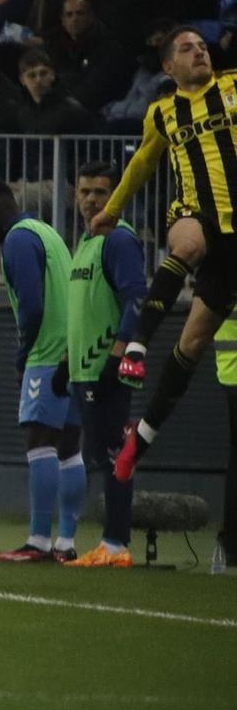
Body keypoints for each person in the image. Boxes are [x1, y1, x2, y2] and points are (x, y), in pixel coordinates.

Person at [103, 27, 237, 477]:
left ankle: (138, 441)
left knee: (194, 341)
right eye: (187, 48)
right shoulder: (162, 112)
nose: (199, 52)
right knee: (189, 242)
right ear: (168, 67)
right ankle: (137, 345)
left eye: (203, 46)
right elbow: (142, 161)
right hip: (196, 212)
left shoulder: (234, 85)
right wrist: (112, 208)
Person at [0, 177, 83, 562]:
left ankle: (37, 539)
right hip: (71, 354)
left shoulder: (17, 239)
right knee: (69, 448)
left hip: (46, 354)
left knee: (38, 441)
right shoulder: (46, 232)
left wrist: (22, 357)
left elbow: (32, 306)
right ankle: (65, 541)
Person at [58, 161, 147, 568]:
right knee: (101, 453)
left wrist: (119, 355)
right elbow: (83, 310)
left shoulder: (119, 241)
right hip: (82, 368)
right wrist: (65, 361)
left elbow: (136, 298)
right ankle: (112, 543)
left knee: (114, 455)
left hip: (104, 367)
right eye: (85, 191)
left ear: (117, 197)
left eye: (101, 192)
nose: (92, 199)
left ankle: (115, 545)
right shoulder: (87, 242)